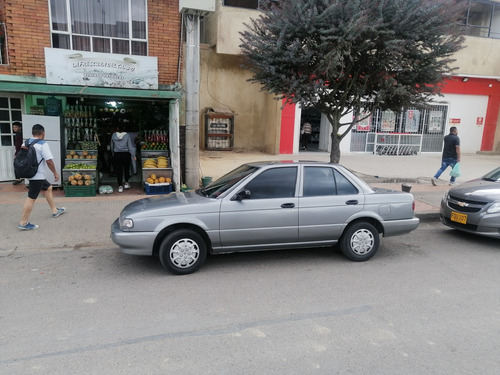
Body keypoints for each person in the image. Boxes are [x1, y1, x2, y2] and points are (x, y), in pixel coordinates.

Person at [18, 124, 65, 231]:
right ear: (42, 133)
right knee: (31, 198)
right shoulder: (42, 144)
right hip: (37, 176)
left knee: (48, 187)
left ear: (33, 132)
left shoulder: (26, 142)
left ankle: (54, 210)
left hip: (29, 172)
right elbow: (49, 161)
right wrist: (55, 173)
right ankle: (23, 222)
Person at [111, 124, 136, 193]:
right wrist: (133, 155)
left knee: (119, 170)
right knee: (126, 169)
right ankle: (126, 183)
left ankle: (120, 186)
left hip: (117, 154)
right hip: (126, 154)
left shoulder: (113, 135)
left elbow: (112, 145)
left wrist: (113, 153)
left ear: (117, 128)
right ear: (124, 128)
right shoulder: (127, 135)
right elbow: (130, 146)